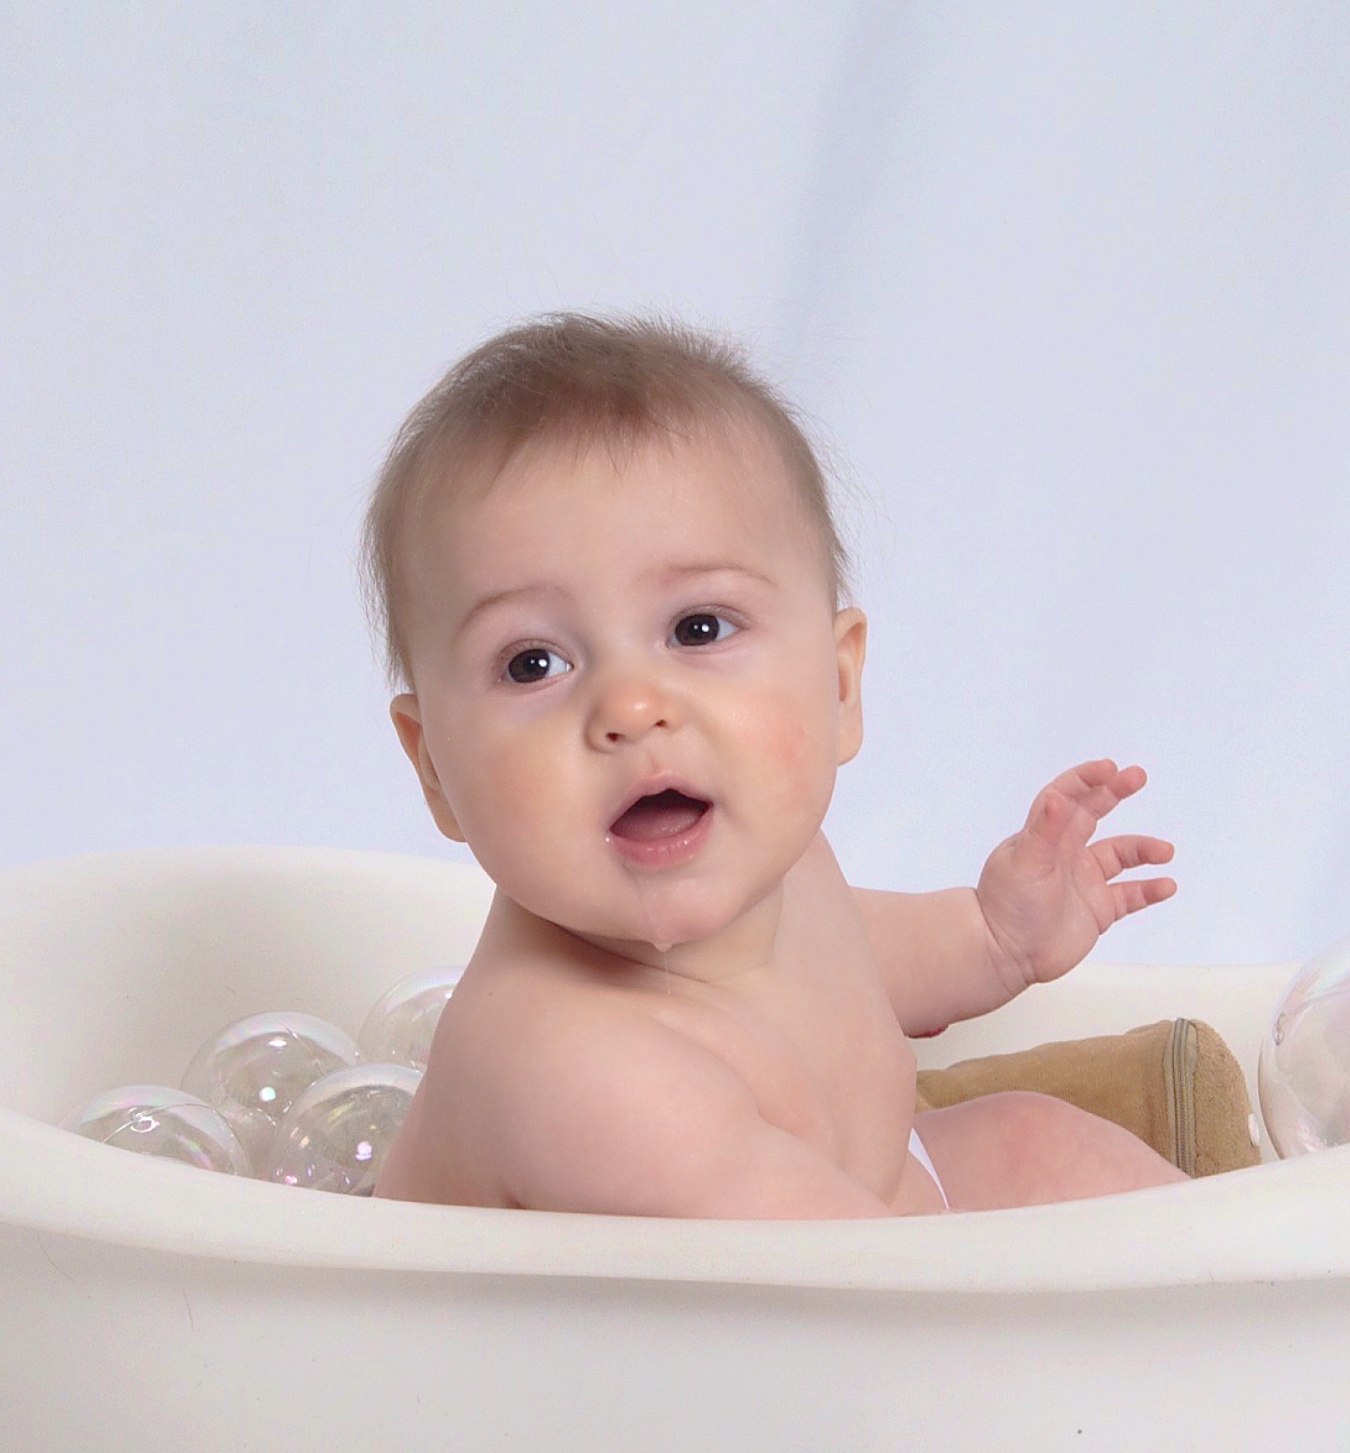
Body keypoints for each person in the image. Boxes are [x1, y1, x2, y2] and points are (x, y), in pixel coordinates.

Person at [367, 312, 1187, 1217]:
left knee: (1040, 1144)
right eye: (533, 663)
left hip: (870, 1227)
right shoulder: (566, 1069)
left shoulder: (785, 869)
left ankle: (1261, 1275)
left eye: (697, 628)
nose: (631, 708)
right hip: (806, 1290)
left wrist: (992, 938)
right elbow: (842, 1283)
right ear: (435, 771)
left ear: (839, 686)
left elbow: (852, 962)